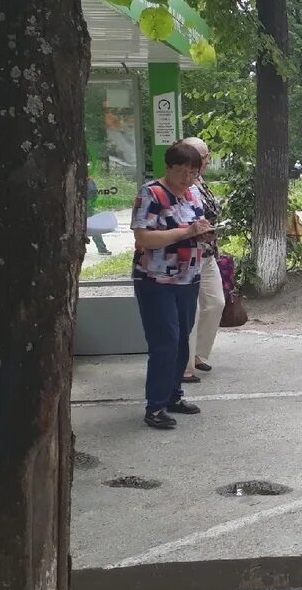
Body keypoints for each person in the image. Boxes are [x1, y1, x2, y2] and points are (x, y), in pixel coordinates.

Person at [131, 142, 212, 430]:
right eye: (182, 172)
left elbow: (196, 226)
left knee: (181, 341)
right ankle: (154, 406)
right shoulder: (152, 193)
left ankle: (174, 395)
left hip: (188, 277)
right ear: (169, 168)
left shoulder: (192, 194)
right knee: (164, 341)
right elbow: (144, 238)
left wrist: (203, 234)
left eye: (193, 173)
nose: (187, 179)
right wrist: (186, 232)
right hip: (156, 279)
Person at [177, 136, 225, 384]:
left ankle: (198, 354)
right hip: (187, 256)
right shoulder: (184, 184)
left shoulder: (201, 182)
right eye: (205, 156)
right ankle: (184, 366)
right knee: (189, 311)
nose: (208, 160)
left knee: (216, 302)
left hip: (207, 253)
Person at [85, 175, 112, 255]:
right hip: (87, 207)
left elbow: (93, 193)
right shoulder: (89, 180)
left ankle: (101, 248)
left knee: (93, 227)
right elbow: (93, 194)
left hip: (85, 207)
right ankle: (101, 248)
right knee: (93, 227)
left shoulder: (87, 180)